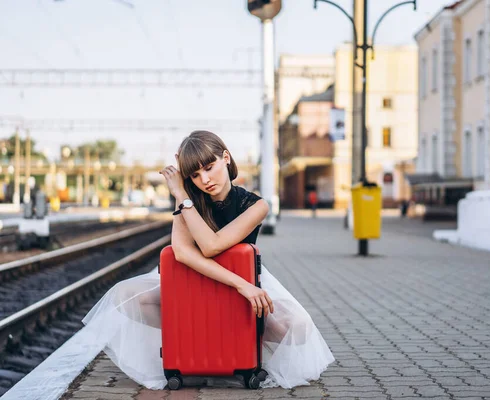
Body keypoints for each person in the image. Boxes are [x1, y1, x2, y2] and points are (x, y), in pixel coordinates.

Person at [81, 131, 335, 390]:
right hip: (197, 281)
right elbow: (182, 252)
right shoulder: (188, 202)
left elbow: (211, 246)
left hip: (241, 286)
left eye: (209, 167)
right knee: (123, 296)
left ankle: (241, 345)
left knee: (299, 330)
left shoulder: (257, 206)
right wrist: (181, 195)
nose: (204, 180)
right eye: (194, 175)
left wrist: (244, 286)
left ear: (226, 157)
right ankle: (196, 342)